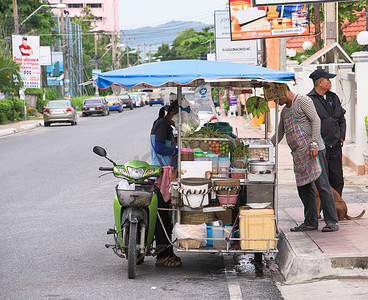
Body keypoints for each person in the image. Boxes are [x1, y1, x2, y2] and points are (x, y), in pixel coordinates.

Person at [271, 86, 339, 232]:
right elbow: (280, 133)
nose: (277, 102)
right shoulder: (284, 112)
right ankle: (310, 222)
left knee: (322, 186)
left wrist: (314, 144)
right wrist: (265, 146)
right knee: (304, 188)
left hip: (313, 150)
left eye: (277, 98)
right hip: (299, 155)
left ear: (283, 91)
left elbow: (316, 120)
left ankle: (332, 221)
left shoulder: (302, 100)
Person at [150, 100, 182, 267]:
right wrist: (178, 150)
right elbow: (159, 148)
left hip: (166, 174)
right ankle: (162, 256)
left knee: (168, 217)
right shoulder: (162, 124)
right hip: (161, 176)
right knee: (162, 216)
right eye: (177, 116)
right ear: (171, 114)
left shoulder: (164, 124)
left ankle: (168, 252)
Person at [307, 69, 346, 196]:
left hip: (335, 145)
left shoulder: (333, 97)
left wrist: (341, 136)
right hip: (319, 147)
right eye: (328, 80)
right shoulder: (309, 100)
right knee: (320, 179)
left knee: (337, 179)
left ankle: (335, 209)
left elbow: (341, 118)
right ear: (320, 82)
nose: (330, 82)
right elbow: (306, 124)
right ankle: (318, 211)